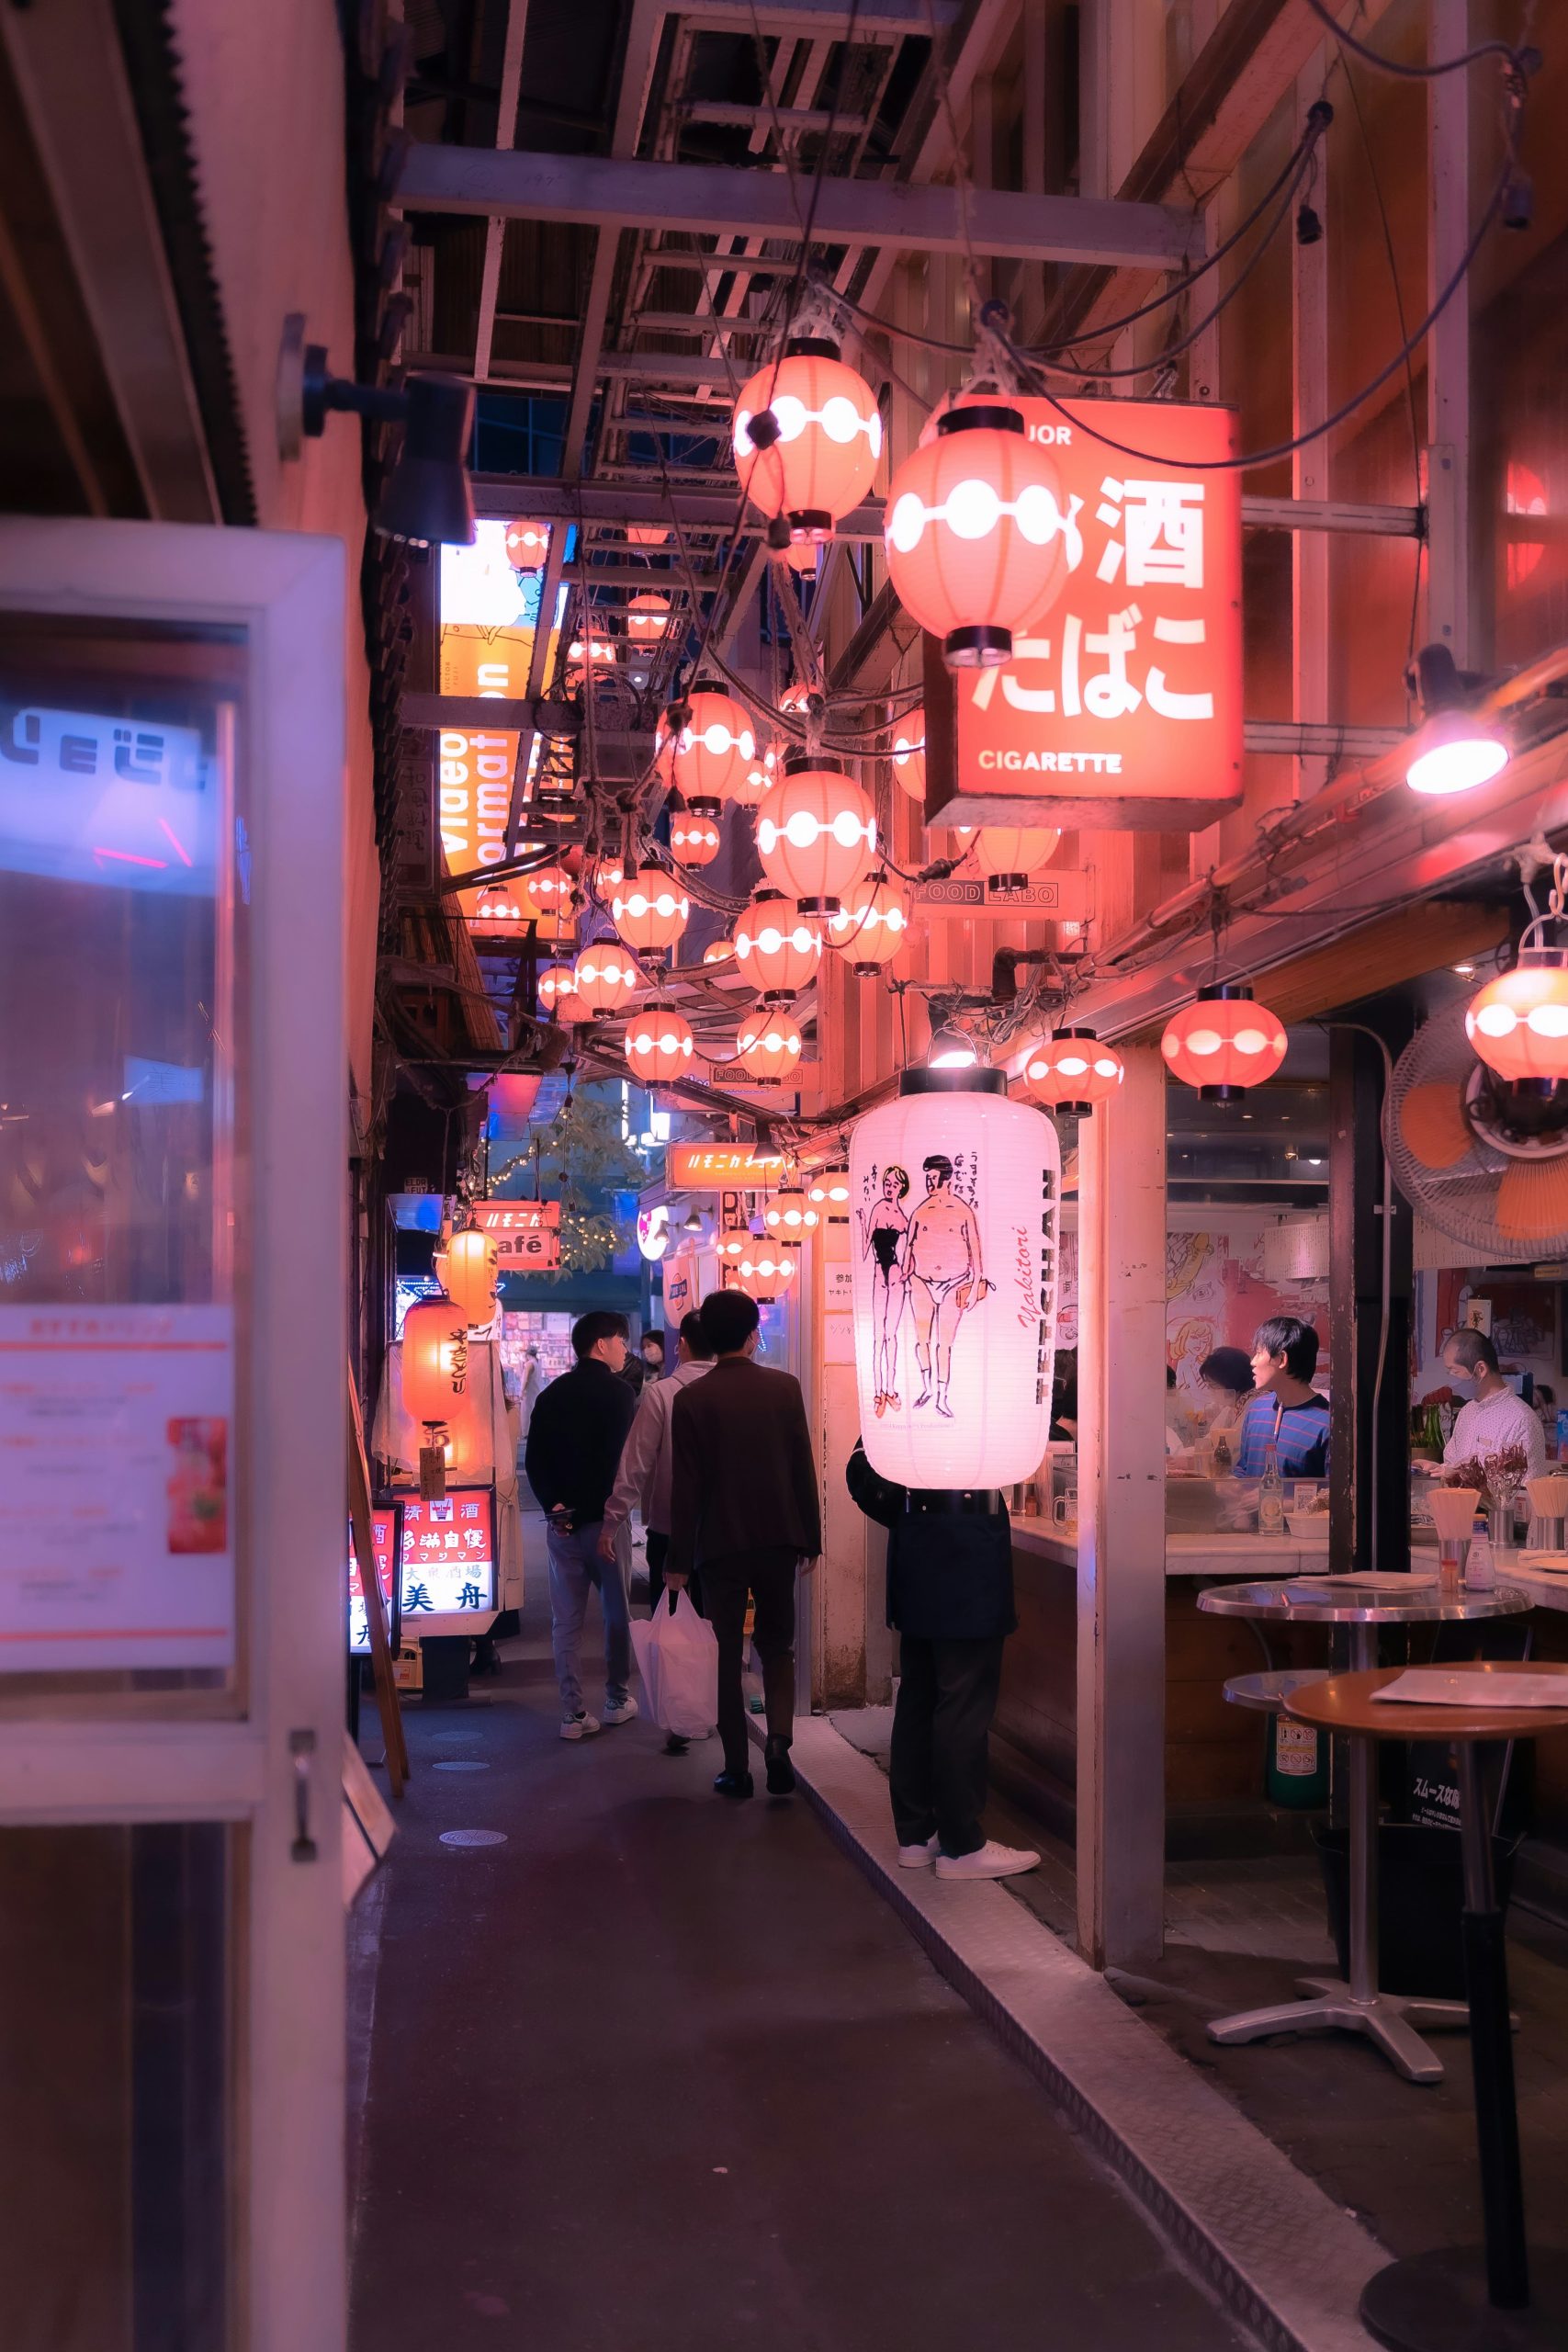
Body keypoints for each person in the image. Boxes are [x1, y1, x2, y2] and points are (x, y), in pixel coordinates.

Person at [847, 1441, 1040, 1882]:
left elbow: (861, 1466)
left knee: (919, 1695)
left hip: (915, 1555)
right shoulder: (980, 1395)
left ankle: (916, 1835)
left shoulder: (900, 1390)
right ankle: (961, 1843)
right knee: (963, 1703)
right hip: (968, 1554)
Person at [667, 1288, 821, 1800]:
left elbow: (685, 1489)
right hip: (780, 1538)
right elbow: (803, 1466)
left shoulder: (691, 1400)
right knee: (778, 1646)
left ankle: (737, 1768)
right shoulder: (784, 1388)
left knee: (726, 1655)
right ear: (754, 1335)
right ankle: (778, 1741)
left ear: (707, 1338)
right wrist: (811, 1539)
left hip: (720, 1545)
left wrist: (677, 1560)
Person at [599, 1308, 716, 1753]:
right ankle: (722, 1710)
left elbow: (635, 1464)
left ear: (681, 1344)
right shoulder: (739, 1391)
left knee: (678, 1625)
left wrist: (613, 1521)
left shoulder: (662, 1393)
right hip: (729, 1530)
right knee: (719, 1622)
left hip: (671, 1528)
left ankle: (684, 1715)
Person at [524, 1311, 640, 1741]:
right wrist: (613, 1516)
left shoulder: (553, 1394)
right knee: (616, 1615)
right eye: (621, 1341)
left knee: (566, 1622)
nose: (626, 1349)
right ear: (601, 1344)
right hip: (607, 1526)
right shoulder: (620, 1394)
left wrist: (554, 1504)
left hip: (563, 1526)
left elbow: (536, 1458)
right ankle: (616, 1699)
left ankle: (571, 1714)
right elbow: (622, 1462)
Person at [902, 1154, 992, 1419]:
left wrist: (976, 1284)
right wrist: (905, 1278)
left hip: (955, 1282)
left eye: (933, 1177)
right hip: (921, 1280)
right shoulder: (920, 1211)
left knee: (945, 1343)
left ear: (946, 1178)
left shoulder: (963, 1211)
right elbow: (909, 1247)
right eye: (927, 1177)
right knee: (922, 1340)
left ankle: (942, 1396)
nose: (929, 1183)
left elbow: (976, 1251)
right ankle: (927, 1388)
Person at [1434, 1328, 1546, 1482]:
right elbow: (1453, 1464)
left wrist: (1465, 1477)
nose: (1450, 1380)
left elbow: (1526, 1490)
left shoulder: (1522, 1421)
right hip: (1460, 1505)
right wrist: (1438, 1469)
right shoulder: (1467, 1411)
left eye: (1454, 1371)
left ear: (1480, 1369)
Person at [1234, 1317, 1330, 1479]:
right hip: (1248, 1506)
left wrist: (1279, 1498)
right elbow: (1243, 1468)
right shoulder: (1257, 1409)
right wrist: (1228, 1486)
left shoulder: (1327, 1423)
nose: (1252, 1362)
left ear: (1282, 1359)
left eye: (1258, 1353)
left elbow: (1333, 1496)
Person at [858, 1163, 910, 1416]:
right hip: (880, 1270)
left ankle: (890, 1388)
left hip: (897, 1274)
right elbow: (865, 1250)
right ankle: (877, 1392)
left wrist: (908, 1273)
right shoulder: (878, 1209)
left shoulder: (904, 1218)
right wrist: (861, 1224)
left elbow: (910, 1251)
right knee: (878, 1334)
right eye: (887, 1183)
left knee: (892, 1334)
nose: (890, 1188)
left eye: (895, 1184)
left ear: (902, 1188)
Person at [1198, 1346, 1253, 1456]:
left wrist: (1192, 1460)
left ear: (1232, 1381)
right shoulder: (1233, 1406)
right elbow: (1209, 1440)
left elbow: (1234, 1451)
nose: (1211, 1391)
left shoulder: (1254, 1405)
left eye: (1213, 1386)